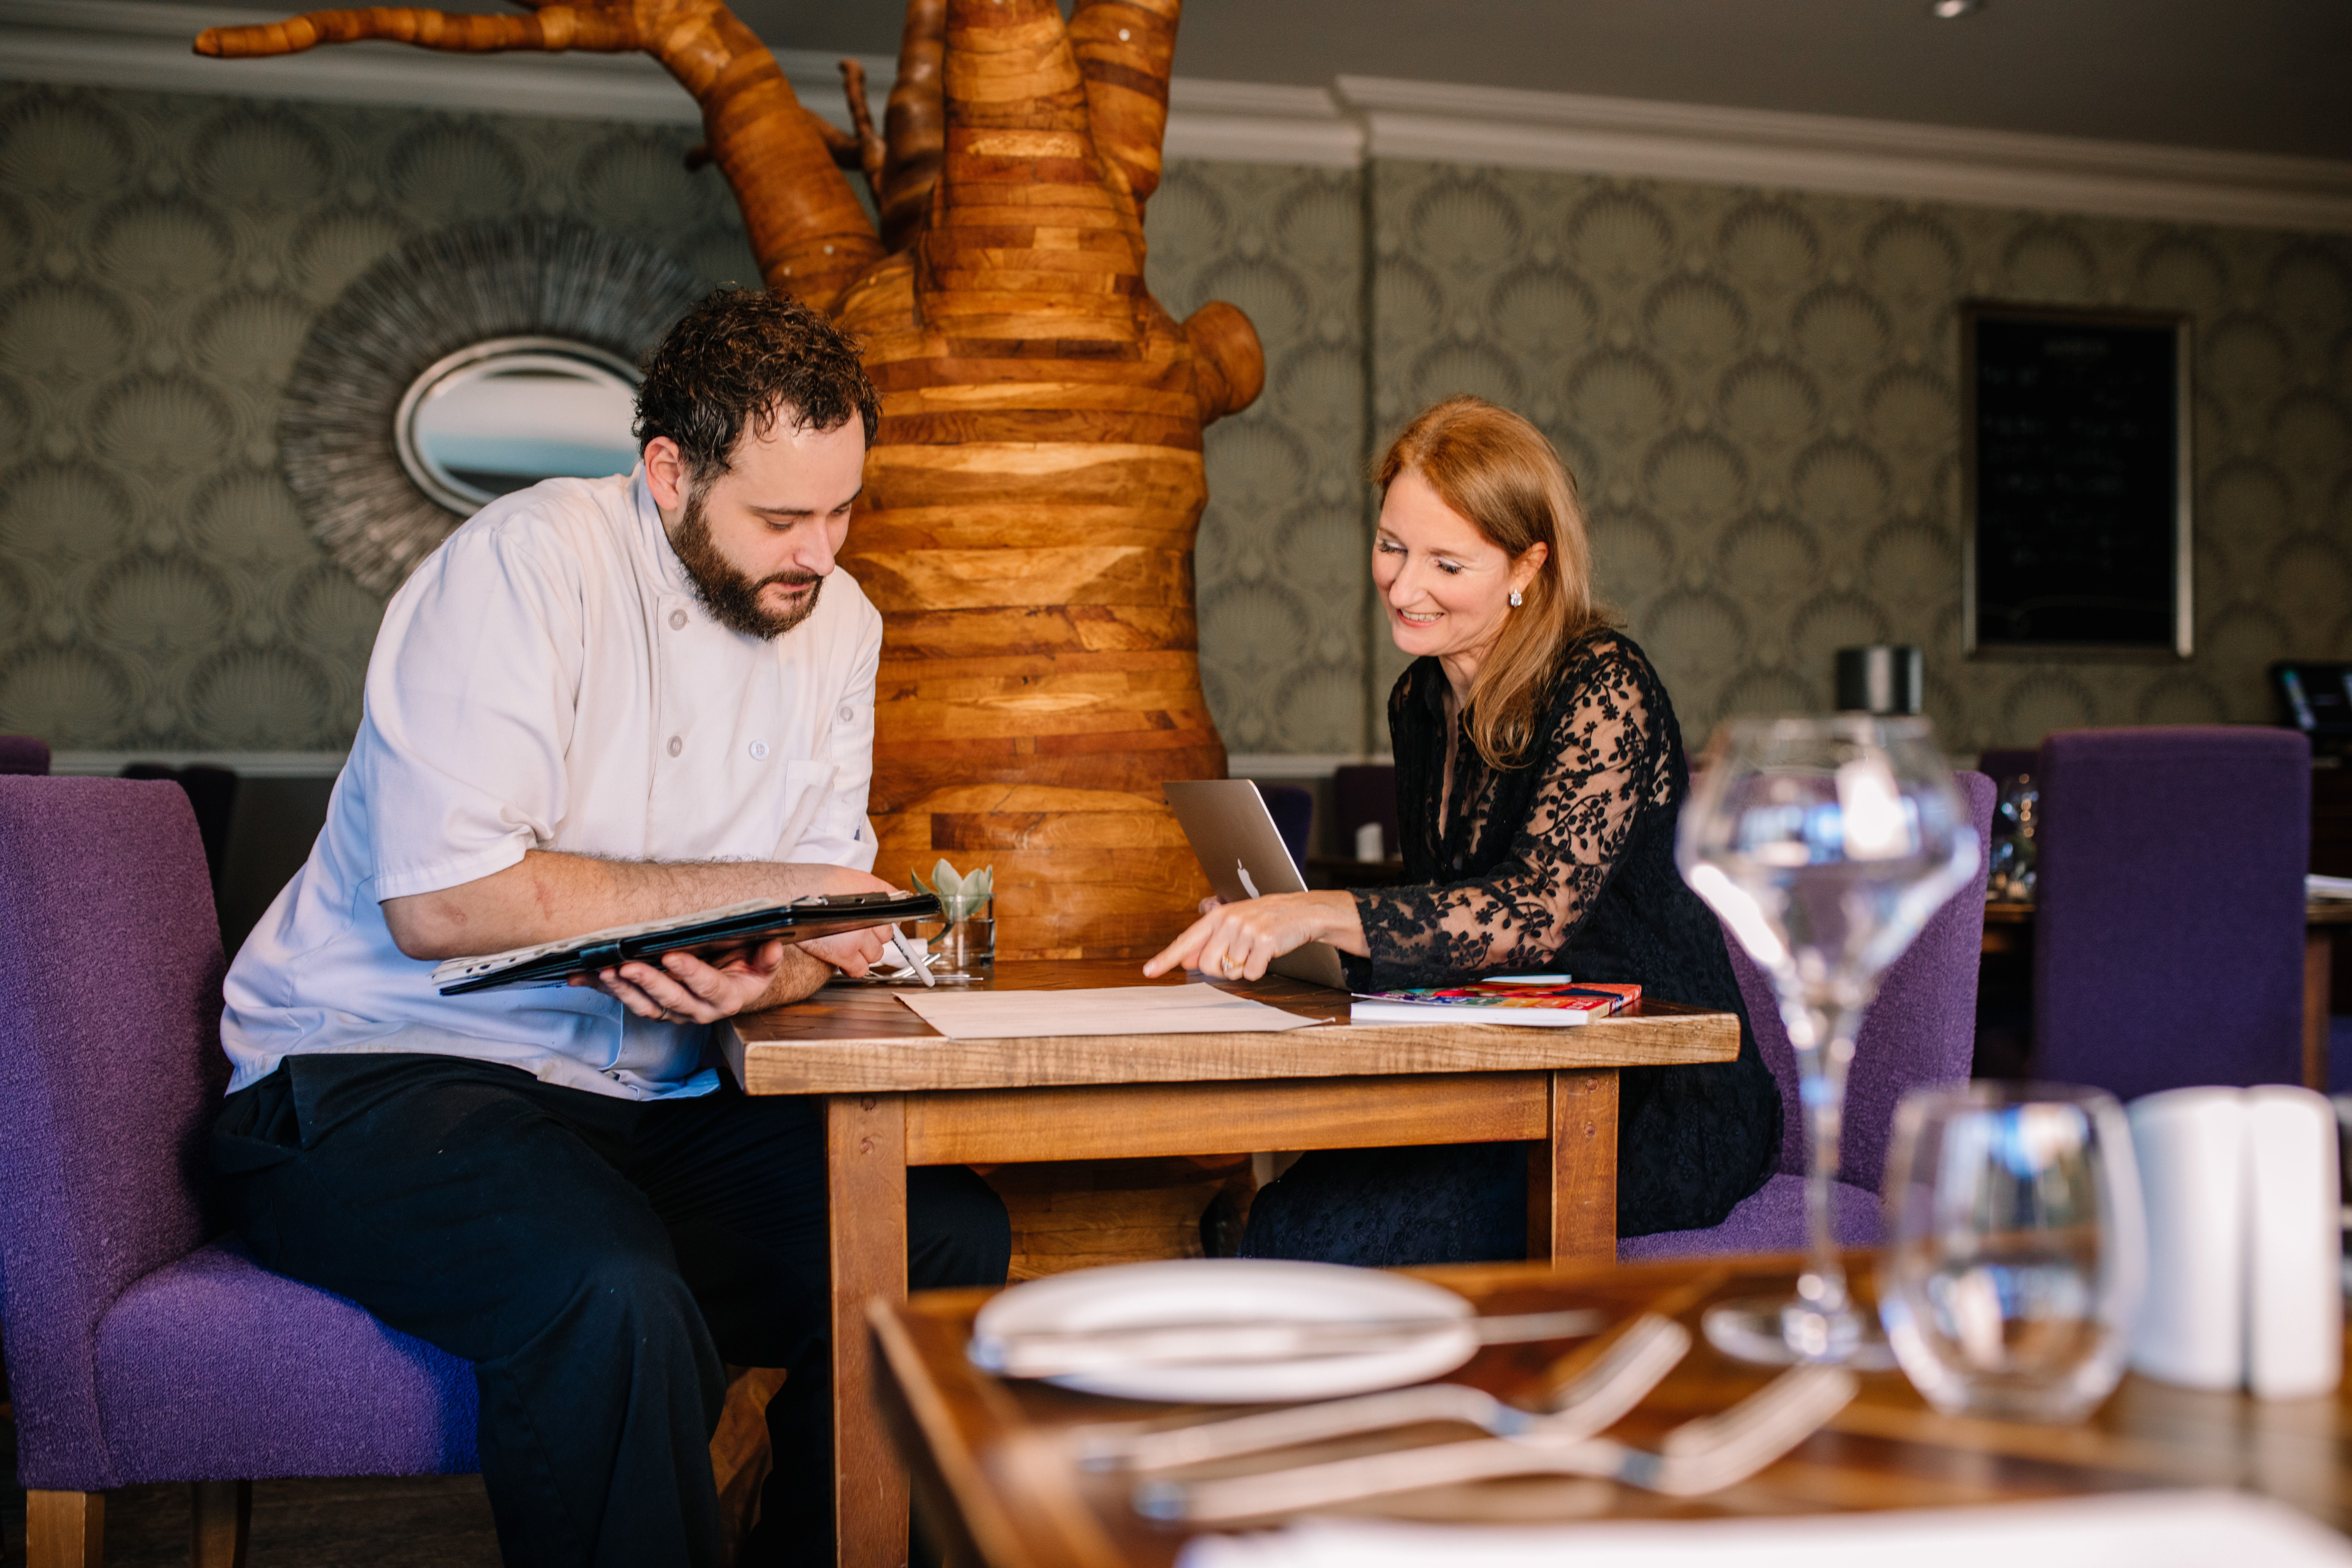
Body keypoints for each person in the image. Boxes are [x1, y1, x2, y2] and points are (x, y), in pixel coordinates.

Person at [214, 290, 1009, 1567]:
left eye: (842, 509)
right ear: (667, 471)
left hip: (646, 1099)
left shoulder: (840, 620)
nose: (819, 550)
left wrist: (767, 975)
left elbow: (821, 906)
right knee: (611, 1290)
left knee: (938, 1238)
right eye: (778, 517)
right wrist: (744, 897)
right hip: (378, 1075)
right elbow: (442, 902)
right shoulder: (528, 564)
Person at [1145, 395, 1779, 1260]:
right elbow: (1452, 913)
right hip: (1509, 1072)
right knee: (1286, 1218)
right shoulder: (1422, 698)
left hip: (1653, 1096)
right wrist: (1285, 923)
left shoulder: (1603, 683)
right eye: (1391, 546)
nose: (1405, 588)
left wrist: (1325, 914)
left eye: (1447, 563)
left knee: (1326, 1239)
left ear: (1529, 565)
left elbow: (1530, 916)